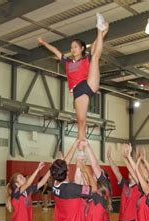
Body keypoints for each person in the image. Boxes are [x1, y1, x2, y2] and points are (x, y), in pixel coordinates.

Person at [38, 13, 108, 141]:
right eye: (71, 47)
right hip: (78, 92)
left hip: (88, 83)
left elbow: (95, 45)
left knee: (95, 57)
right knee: (81, 121)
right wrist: (43, 42)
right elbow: (56, 51)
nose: (73, 49)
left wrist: (103, 32)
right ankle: (81, 147)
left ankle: (99, 28)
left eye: (75, 47)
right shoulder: (68, 62)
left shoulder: (86, 58)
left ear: (82, 48)